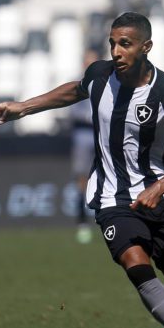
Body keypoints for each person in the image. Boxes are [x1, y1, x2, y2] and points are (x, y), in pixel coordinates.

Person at [0, 12, 164, 328]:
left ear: (146, 47)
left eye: (125, 44)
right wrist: (24, 107)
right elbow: (73, 90)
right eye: (112, 43)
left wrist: (160, 187)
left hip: (160, 197)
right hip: (112, 198)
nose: (116, 51)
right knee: (136, 265)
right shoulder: (100, 75)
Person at [69, 49, 99, 244]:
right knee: (82, 179)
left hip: (101, 133)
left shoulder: (106, 83)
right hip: (83, 133)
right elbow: (73, 111)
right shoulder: (77, 83)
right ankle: (82, 223)